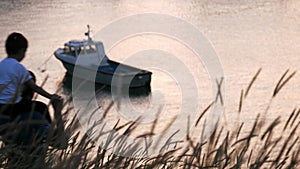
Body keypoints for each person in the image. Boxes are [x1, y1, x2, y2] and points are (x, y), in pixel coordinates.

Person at [0, 32, 65, 146]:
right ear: (21, 50)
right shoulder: (18, 67)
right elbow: (34, 87)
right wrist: (52, 100)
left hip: (2, 107)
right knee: (41, 107)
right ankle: (49, 125)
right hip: (14, 106)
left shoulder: (2, 65)